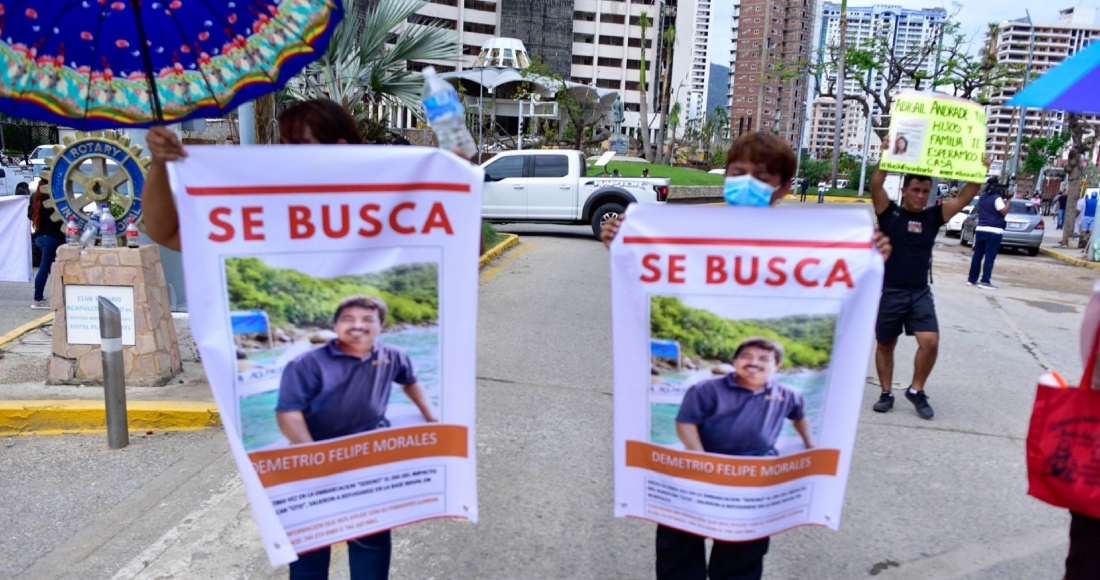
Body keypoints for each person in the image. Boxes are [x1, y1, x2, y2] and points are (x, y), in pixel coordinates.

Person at [601, 131, 891, 580]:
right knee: (677, 550)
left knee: (742, 557)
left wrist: (869, 259)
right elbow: (641, 269)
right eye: (738, 172)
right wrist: (621, 241)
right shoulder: (686, 230)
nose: (747, 181)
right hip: (690, 475)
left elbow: (848, 295)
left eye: (762, 176)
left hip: (754, 482)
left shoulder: (815, 243)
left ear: (785, 187)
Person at [276, 295, 437, 580]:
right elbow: (288, 413)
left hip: (369, 462)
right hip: (315, 461)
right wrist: (313, 456)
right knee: (310, 548)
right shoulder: (306, 364)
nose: (357, 325)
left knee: (370, 542)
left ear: (381, 324)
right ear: (335, 325)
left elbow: (410, 381)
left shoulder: (392, 355)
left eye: (367, 319)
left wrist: (432, 417)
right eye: (348, 319)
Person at [869, 136, 990, 419]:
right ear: (904, 190)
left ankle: (916, 389)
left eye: (925, 191)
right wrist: (885, 156)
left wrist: (979, 170)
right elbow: (876, 184)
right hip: (890, 291)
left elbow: (964, 197)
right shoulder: (889, 213)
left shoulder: (934, 217)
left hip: (919, 292)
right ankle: (886, 393)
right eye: (916, 190)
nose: (921, 195)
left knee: (930, 342)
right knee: (886, 344)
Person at [27, 172, 64, 309]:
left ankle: (48, 297)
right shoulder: (55, 197)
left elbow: (30, 215)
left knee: (46, 268)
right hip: (52, 238)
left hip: (39, 237)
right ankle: (37, 300)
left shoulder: (35, 196)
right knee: (45, 269)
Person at [967, 179, 1012, 290]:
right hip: (994, 230)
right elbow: (1003, 211)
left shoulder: (982, 197)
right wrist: (1009, 200)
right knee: (989, 257)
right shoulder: (997, 198)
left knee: (977, 255)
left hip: (981, 228)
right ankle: (985, 281)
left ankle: (972, 279)